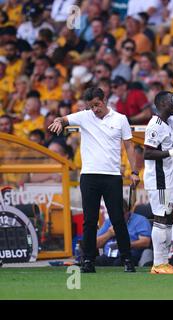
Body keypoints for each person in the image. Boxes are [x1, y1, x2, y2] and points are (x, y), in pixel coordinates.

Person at [47, 87, 141, 273]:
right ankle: (88, 260)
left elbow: (129, 147)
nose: (95, 109)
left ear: (104, 100)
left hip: (112, 176)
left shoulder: (120, 119)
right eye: (91, 106)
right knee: (89, 220)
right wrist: (58, 121)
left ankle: (127, 259)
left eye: (97, 105)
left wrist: (135, 171)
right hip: (89, 175)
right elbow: (64, 119)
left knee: (118, 219)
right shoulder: (84, 116)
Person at [143, 91, 173, 274]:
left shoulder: (170, 122)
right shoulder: (155, 125)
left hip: (168, 177)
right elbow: (147, 153)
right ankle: (158, 264)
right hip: (159, 179)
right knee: (161, 217)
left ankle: (164, 262)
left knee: (169, 217)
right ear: (163, 103)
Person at [96, 199, 152, 267]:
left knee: (118, 264)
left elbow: (146, 242)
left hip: (128, 255)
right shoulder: (109, 221)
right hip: (108, 255)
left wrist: (126, 245)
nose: (118, 217)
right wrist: (109, 233)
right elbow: (96, 244)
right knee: (95, 262)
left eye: (121, 214)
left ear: (128, 212)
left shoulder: (140, 220)